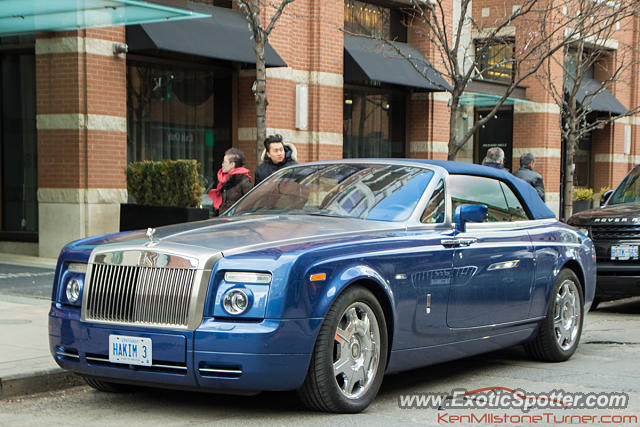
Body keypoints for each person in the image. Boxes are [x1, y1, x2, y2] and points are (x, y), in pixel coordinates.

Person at [208, 148, 253, 214]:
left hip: (236, 219)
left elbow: (250, 202)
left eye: (224, 162)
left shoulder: (244, 180)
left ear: (232, 165)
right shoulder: (222, 179)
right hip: (223, 217)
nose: (222, 164)